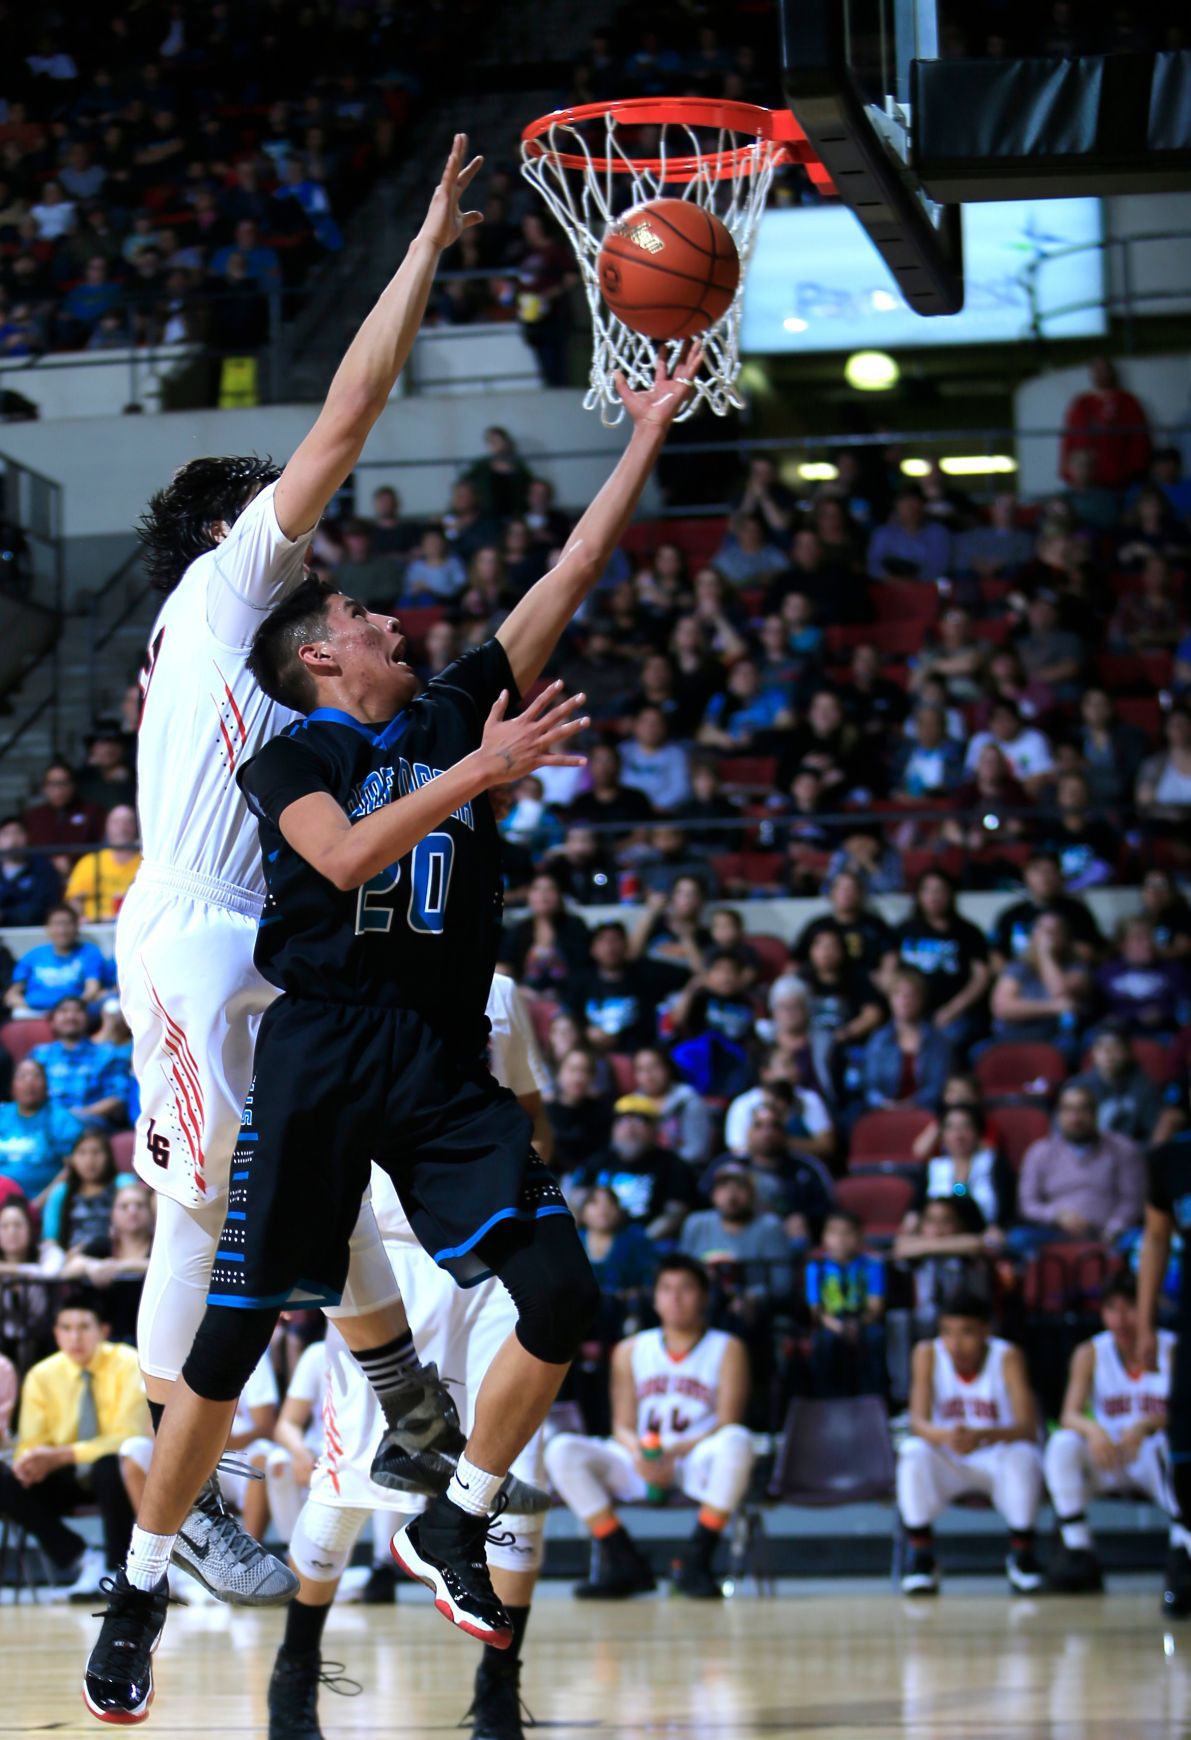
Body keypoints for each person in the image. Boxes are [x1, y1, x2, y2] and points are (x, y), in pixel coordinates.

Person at [84, 346, 701, 1719]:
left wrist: (646, 435)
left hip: (412, 1052)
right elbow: (351, 857)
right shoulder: (287, 735)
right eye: (356, 608)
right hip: (274, 1007)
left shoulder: (423, 709)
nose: (372, 607)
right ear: (310, 642)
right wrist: (481, 772)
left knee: (552, 1290)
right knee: (210, 1268)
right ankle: (147, 1566)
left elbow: (563, 583)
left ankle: (441, 1477)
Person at [91, 140, 496, 1631]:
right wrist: (428, 246)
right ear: (228, 527)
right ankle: (178, 1497)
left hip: (271, 940)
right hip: (196, 939)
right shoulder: (224, 587)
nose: (311, 530)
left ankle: (398, 1402)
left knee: (314, 1175)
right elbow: (349, 409)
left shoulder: (274, 666)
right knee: (205, 1214)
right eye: (281, 510)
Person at [263, 970, 554, 1740]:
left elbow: (530, 1109)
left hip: (495, 1257)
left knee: (512, 1475)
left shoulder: (497, 988)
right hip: (389, 1257)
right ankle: (293, 1674)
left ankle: (498, 1687)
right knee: (349, 1482)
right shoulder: (341, 984)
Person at [545, 1255, 755, 1600]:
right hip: (641, 1458)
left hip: (694, 1459)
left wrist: (674, 1452)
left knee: (738, 1440)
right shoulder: (630, 1350)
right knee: (562, 1450)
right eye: (667, 1289)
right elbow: (622, 1425)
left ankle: (697, 1558)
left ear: (704, 1297)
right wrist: (642, 1454)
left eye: (686, 1289)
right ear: (655, 1298)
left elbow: (727, 1420)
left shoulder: (727, 1348)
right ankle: (622, 1557)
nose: (676, 1298)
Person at [0, 1291, 148, 1597]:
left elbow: (128, 1437)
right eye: (65, 1328)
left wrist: (63, 1455)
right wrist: (29, 1461)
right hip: (63, 1477)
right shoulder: (42, 1374)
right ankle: (81, 1558)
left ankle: (118, 1566)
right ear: (55, 1333)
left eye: (83, 1327)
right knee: (6, 1479)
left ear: (103, 1331)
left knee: (110, 1466)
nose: (74, 1337)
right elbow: (31, 1441)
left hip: (114, 1474)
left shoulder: (128, 1363)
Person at [897, 1292, 1044, 1596]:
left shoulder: (1007, 1356)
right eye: (947, 1332)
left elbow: (1028, 1427)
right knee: (912, 1452)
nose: (955, 1343)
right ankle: (921, 1557)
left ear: (986, 1331)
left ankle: (1023, 1555)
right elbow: (918, 1423)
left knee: (1024, 1456)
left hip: (995, 1455)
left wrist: (982, 1436)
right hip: (950, 1457)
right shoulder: (926, 1353)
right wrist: (947, 1437)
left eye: (966, 1332)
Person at [1046, 1274, 1183, 1595]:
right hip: (1108, 1453)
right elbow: (1069, 1414)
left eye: (1130, 1307)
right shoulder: (1090, 1352)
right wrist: (1094, 1431)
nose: (1120, 1318)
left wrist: (1145, 1425)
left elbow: (1183, 1414)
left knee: (1172, 1445)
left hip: (1152, 1454)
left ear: (1149, 1307)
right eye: (1111, 1309)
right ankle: (1078, 1551)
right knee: (1062, 1443)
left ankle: (1182, 1552)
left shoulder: (1172, 1349)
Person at [1136, 1089, 1191, 1616]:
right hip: (1190, 1320)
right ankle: (1184, 1549)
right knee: (1185, 1441)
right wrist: (1145, 1320)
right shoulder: (1170, 1159)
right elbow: (1156, 1240)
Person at [1015, 1084, 1145, 1249]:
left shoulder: (1122, 1149)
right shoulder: (1039, 1152)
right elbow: (1027, 1204)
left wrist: (1114, 1228)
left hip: (1111, 1233)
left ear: (1095, 1113)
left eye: (1083, 1109)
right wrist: (1056, 1215)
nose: (1075, 1118)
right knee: (1018, 1238)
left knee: (1141, 1240)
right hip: (1055, 1232)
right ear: (1058, 1115)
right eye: (1068, 1110)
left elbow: (1132, 1200)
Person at [890, 870, 991, 1049]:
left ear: (950, 894)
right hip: (910, 1010)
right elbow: (889, 972)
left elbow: (981, 977)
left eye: (940, 890)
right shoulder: (904, 930)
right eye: (928, 890)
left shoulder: (968, 932)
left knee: (943, 1042)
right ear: (919, 895)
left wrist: (952, 1009)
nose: (934, 896)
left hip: (955, 1011)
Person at [570, 1096, 694, 1241]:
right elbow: (576, 1202)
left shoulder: (673, 1165)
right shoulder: (598, 1161)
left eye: (640, 1120)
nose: (629, 1127)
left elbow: (674, 1214)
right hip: (598, 1237)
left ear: (655, 1129)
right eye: (622, 1120)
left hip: (649, 1240)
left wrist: (640, 1241)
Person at [805, 1209, 886, 1397]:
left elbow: (876, 1306)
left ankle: (874, 1398)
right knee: (825, 1342)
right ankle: (827, 1397)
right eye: (834, 1232)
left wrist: (859, 1323)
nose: (840, 1239)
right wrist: (837, 1326)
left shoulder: (872, 1265)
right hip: (831, 1321)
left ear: (860, 1237)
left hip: (863, 1319)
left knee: (874, 1339)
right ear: (824, 1237)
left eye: (847, 1232)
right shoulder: (816, 1267)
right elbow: (816, 1309)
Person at [31, 995, 130, 1131]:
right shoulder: (39, 1054)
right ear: (52, 1021)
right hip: (45, 1123)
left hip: (89, 1125)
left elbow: (118, 1096)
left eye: (78, 1011)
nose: (71, 1016)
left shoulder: (108, 1054)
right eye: (64, 1011)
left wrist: (81, 1114)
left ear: (88, 1019)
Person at [863, 970, 954, 1112]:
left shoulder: (938, 1041)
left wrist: (909, 1106)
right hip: (883, 1110)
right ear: (890, 999)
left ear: (921, 1000)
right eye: (899, 994)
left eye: (911, 995)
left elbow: (937, 1088)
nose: (905, 1000)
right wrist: (885, 1104)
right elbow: (870, 1086)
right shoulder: (878, 1040)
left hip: (925, 1112)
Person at [1059, 356, 1151, 492]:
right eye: (1096, 370)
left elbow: (1139, 439)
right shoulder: (1082, 403)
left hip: (1123, 478)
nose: (1101, 374)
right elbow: (1070, 439)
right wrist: (1068, 470)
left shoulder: (1127, 401)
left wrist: (1137, 469)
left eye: (1104, 369)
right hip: (1088, 480)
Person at [0, 1058, 82, 1206]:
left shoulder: (61, 1119)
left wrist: (38, 1203)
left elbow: (72, 1169)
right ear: (12, 1086)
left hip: (44, 1202)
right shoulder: (2, 1115)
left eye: (36, 1076)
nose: (29, 1083)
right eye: (22, 1076)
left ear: (47, 1085)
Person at [5, 904, 106, 1016]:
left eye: (67, 924)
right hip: (33, 1011)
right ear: (47, 928)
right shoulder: (33, 955)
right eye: (57, 924)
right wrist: (24, 1006)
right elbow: (13, 992)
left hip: (72, 1014)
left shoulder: (89, 952)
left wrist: (73, 1009)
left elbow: (92, 989)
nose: (62, 931)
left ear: (77, 927)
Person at [1072, 1025, 1163, 1144]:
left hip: (1133, 1155)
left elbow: (1154, 1137)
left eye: (1115, 1047)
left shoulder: (1145, 1088)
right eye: (1101, 1047)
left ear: (1128, 1052)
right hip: (1086, 1155)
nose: (1108, 1053)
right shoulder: (1076, 1087)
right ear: (1092, 1053)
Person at [21, 762, 105, 881]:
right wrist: (51, 863)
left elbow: (101, 847)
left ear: (73, 785)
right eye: (53, 784)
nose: (58, 789)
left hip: (86, 876)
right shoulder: (32, 816)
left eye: (63, 783)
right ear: (44, 788)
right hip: (42, 879)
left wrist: (71, 861)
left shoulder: (92, 812)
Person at [0, 814, 61, 924]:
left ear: (27, 837)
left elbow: (43, 907)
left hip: (33, 930)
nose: (12, 841)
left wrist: (5, 915)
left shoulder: (43, 867)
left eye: (17, 833)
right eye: (5, 834)